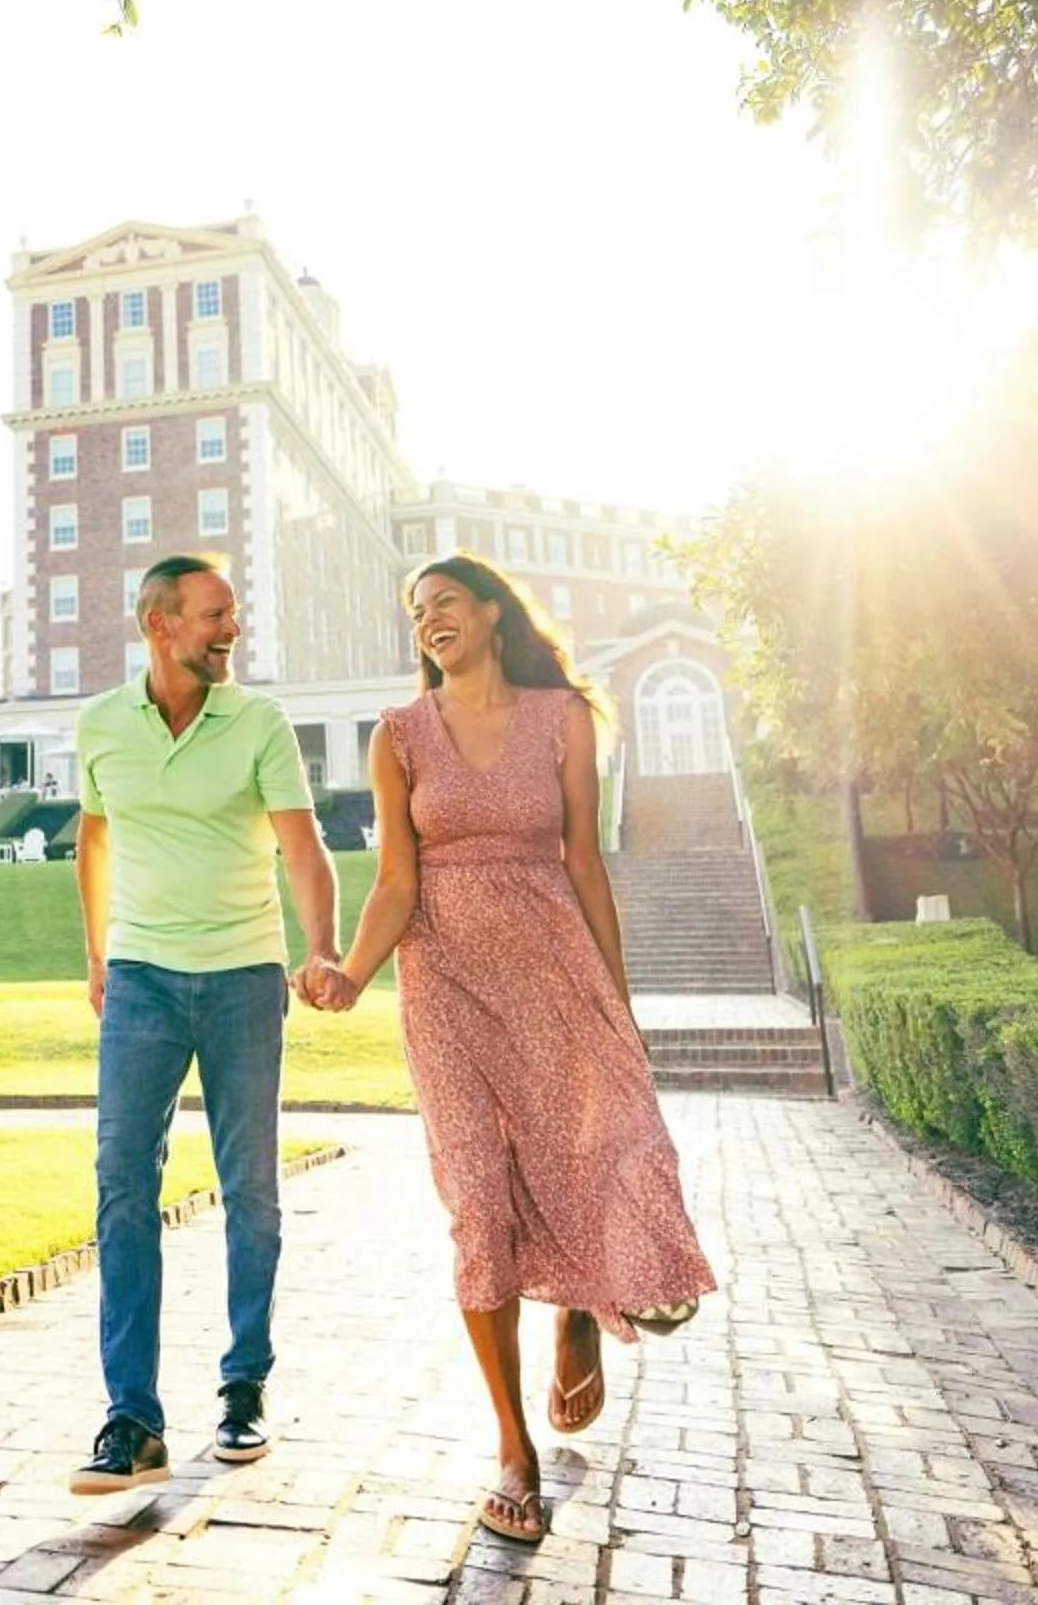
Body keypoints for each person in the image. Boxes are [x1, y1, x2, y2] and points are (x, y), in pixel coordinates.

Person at [305, 553, 716, 1544]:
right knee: (478, 1202)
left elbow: (585, 861)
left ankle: (582, 1308)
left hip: (555, 971)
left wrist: (617, 1003)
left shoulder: (563, 717)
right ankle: (512, 1450)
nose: (428, 619)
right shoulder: (399, 735)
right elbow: (396, 880)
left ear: (493, 612)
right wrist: (352, 972)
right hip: (444, 986)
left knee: (602, 1151)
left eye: (444, 600)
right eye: (417, 610)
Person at [69, 553, 344, 1494]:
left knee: (250, 1188)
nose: (232, 629)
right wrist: (99, 955)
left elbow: (303, 847)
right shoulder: (101, 724)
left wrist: (322, 947)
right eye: (215, 614)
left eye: (232, 615)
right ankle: (132, 1419)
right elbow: (94, 836)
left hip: (242, 979)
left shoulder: (259, 722)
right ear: (160, 623)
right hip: (141, 979)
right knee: (121, 1184)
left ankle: (243, 1387)